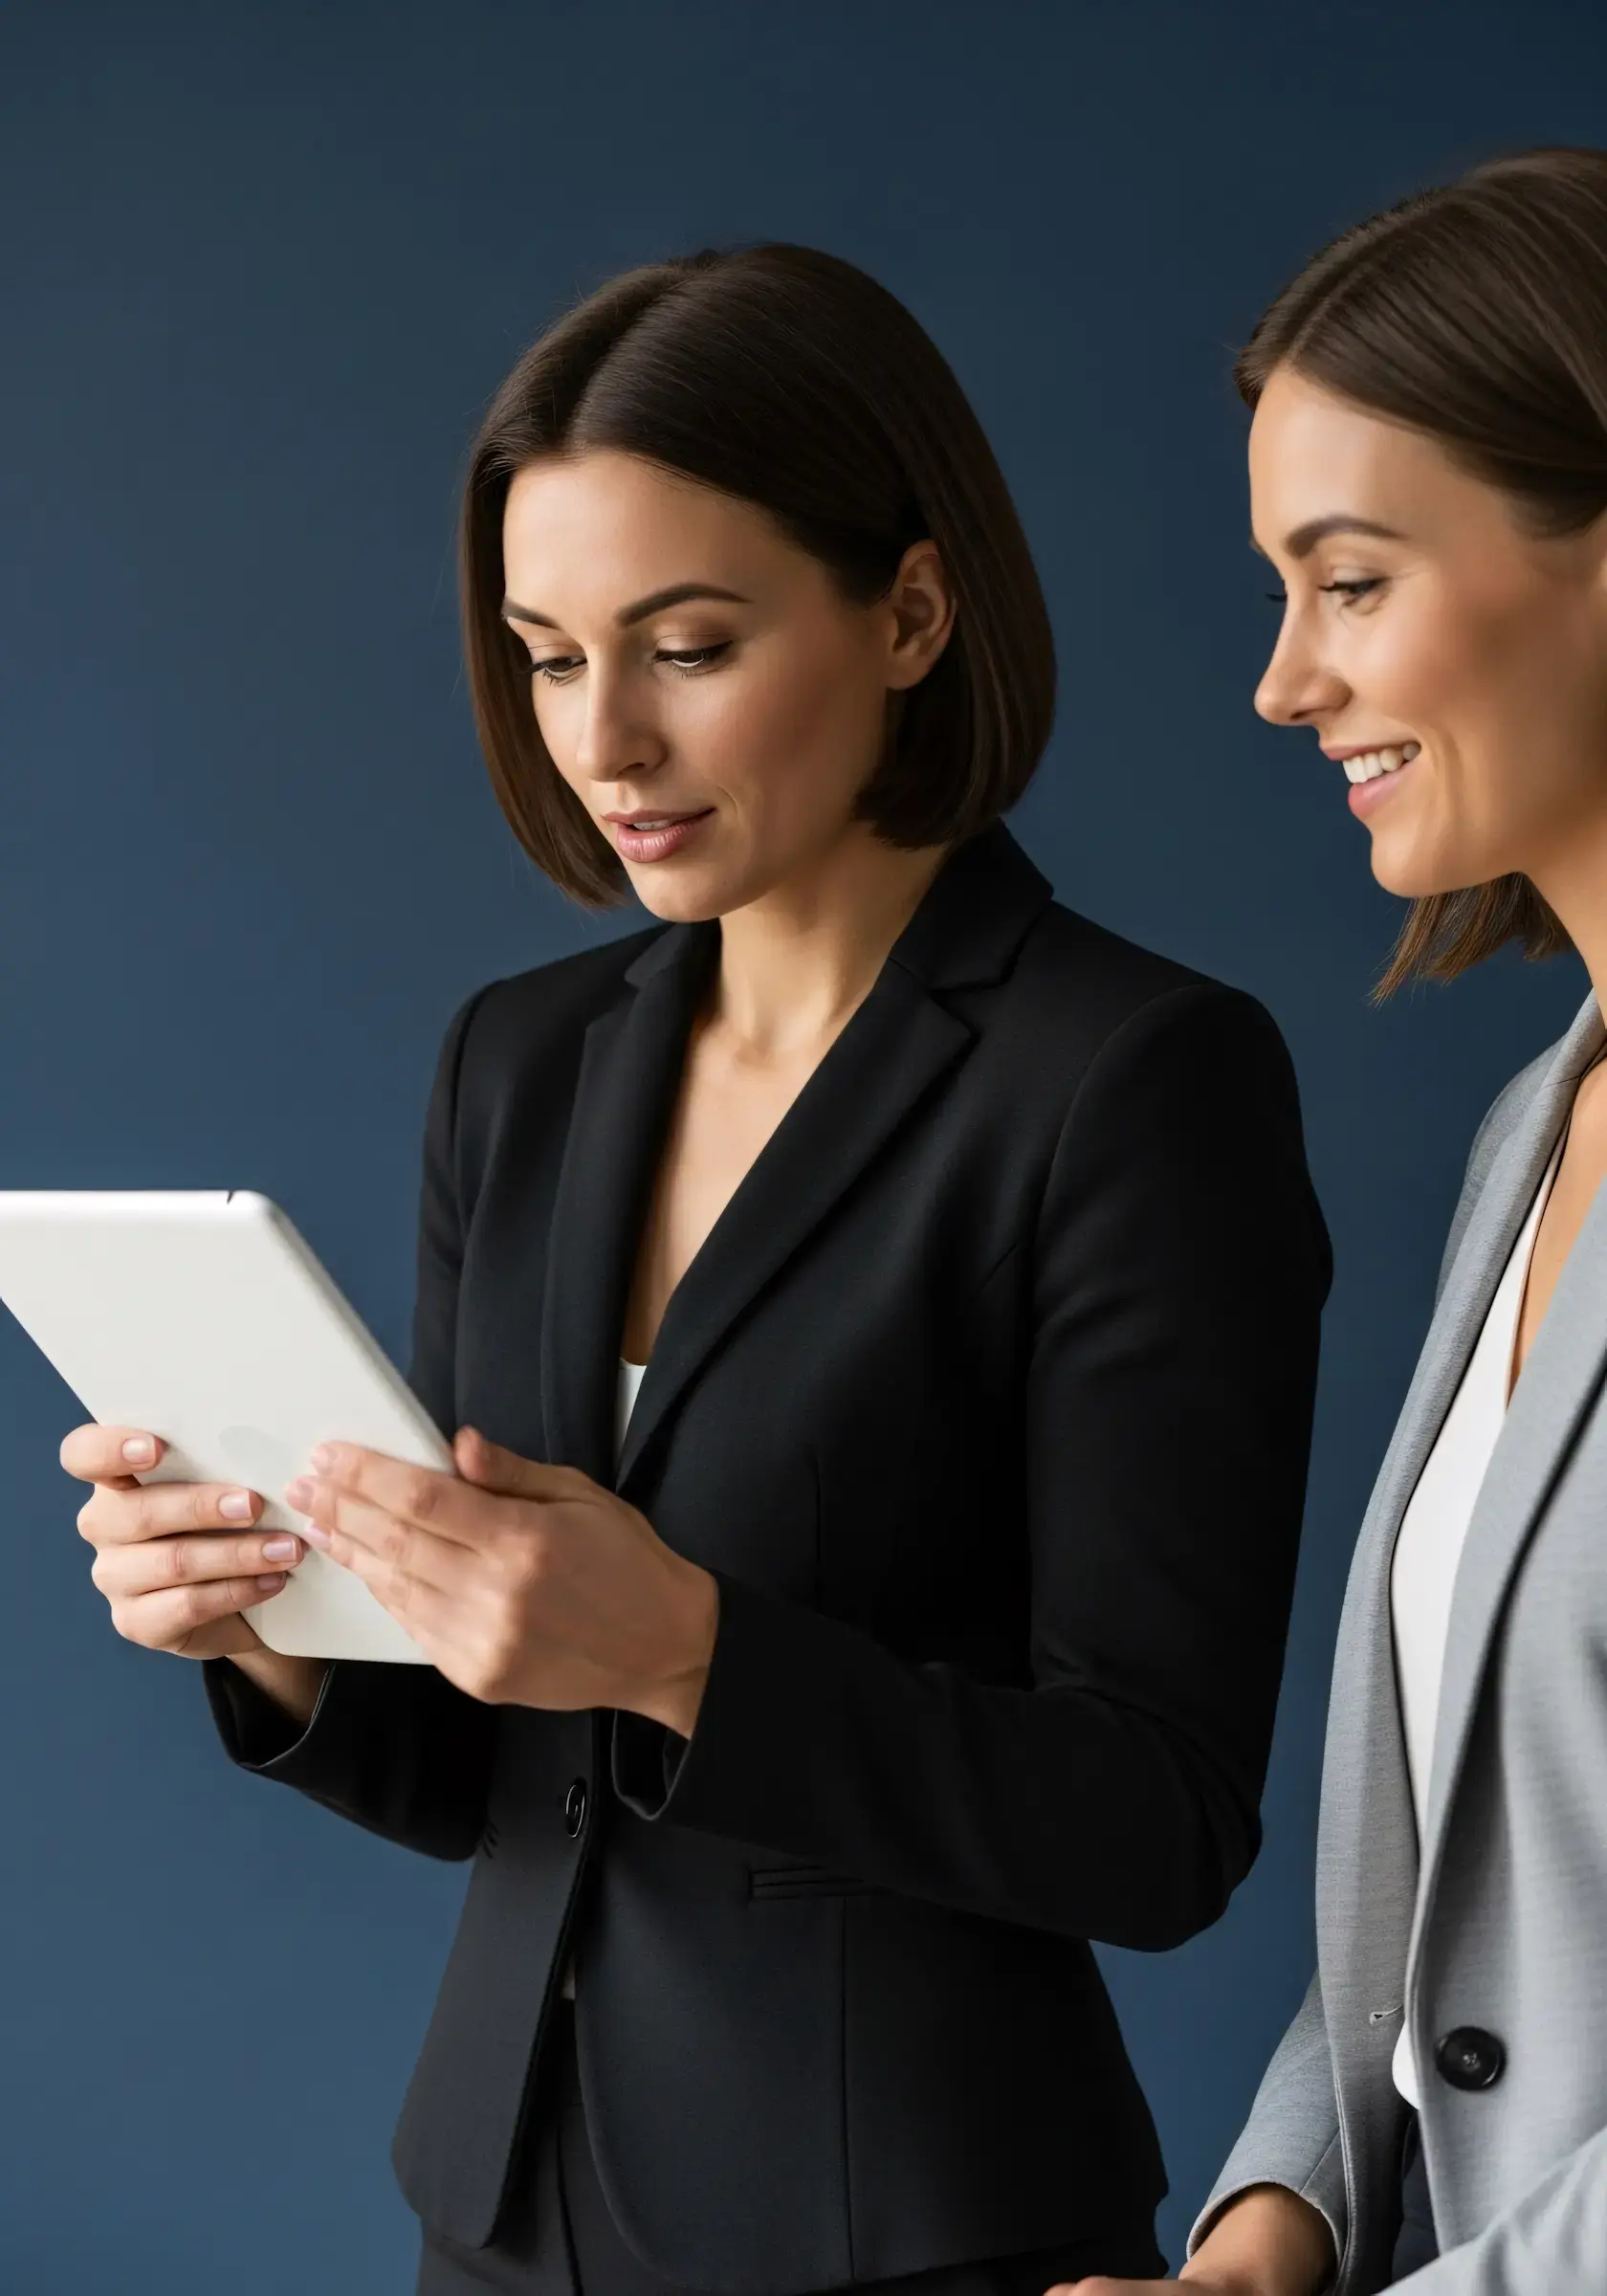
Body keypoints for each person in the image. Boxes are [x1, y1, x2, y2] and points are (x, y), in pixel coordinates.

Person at [64, 245, 1330, 2296]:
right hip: (496, 2216)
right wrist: (269, 1634)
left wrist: (688, 1650)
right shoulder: (523, 1058)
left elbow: (1159, 1821)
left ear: (911, 612)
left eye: (690, 644)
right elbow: (498, 1777)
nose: (607, 740)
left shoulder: (1135, 1079)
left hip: (906, 2232)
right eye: (550, 657)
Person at [1070, 148, 1607, 2296]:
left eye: (1353, 580)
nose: (1287, 681)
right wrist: (1269, 2235)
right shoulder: (1532, 1132)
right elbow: (1475, 1884)